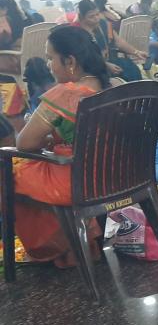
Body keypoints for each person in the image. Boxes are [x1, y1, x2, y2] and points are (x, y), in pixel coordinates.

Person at [13, 26, 110, 268]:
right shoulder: (112, 84)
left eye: (50, 58)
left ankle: (53, 249)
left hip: (77, 182)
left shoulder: (66, 94)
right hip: (112, 177)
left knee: (9, 173)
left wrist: (45, 136)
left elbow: (24, 143)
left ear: (70, 61)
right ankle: (77, 246)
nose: (48, 65)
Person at [74, 0, 147, 81]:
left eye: (97, 14)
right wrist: (105, 65)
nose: (96, 18)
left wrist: (136, 52)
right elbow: (83, 58)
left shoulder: (103, 24)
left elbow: (119, 42)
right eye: (91, 16)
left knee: (131, 68)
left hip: (108, 60)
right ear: (81, 17)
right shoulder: (76, 32)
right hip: (90, 67)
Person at [0, 0, 31, 73]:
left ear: (4, 9)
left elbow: (3, 42)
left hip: (14, 60)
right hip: (30, 58)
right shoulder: (26, 18)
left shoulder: (4, 21)